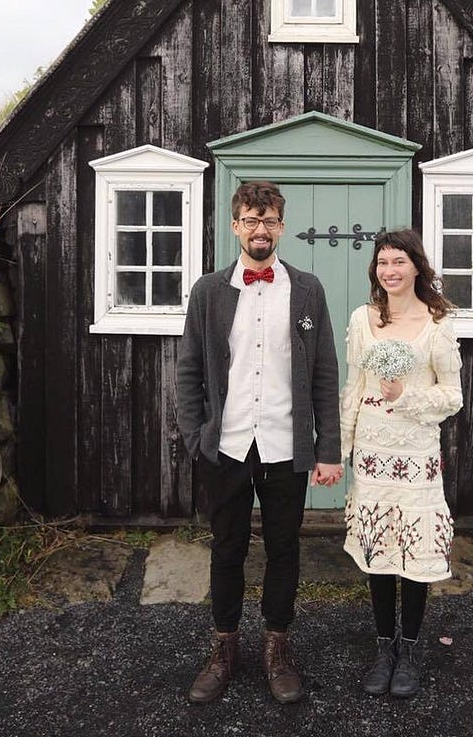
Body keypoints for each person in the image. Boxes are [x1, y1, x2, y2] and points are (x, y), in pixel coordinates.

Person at [176, 180, 343, 705]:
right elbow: (188, 371)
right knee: (226, 548)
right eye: (250, 219)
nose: (260, 229)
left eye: (269, 220)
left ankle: (278, 648)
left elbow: (324, 374)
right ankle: (224, 648)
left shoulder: (309, 289)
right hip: (224, 446)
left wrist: (328, 447)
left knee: (284, 548)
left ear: (281, 227)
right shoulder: (208, 291)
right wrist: (194, 436)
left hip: (285, 445)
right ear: (235, 226)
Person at [339, 228, 463, 698]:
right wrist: (341, 448)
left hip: (414, 456)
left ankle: (409, 650)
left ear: (416, 266)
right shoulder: (362, 318)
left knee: (413, 555)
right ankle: (383, 646)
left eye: (398, 262)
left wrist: (405, 395)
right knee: (378, 555)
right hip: (373, 455)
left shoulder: (439, 323)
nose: (389, 271)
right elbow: (353, 388)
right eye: (382, 262)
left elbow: (453, 396)